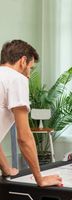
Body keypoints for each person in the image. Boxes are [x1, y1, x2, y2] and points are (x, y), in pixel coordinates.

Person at [0, 39, 62, 187]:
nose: (29, 74)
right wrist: (40, 179)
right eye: (30, 68)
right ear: (23, 61)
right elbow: (24, 137)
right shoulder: (17, 79)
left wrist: (7, 169)